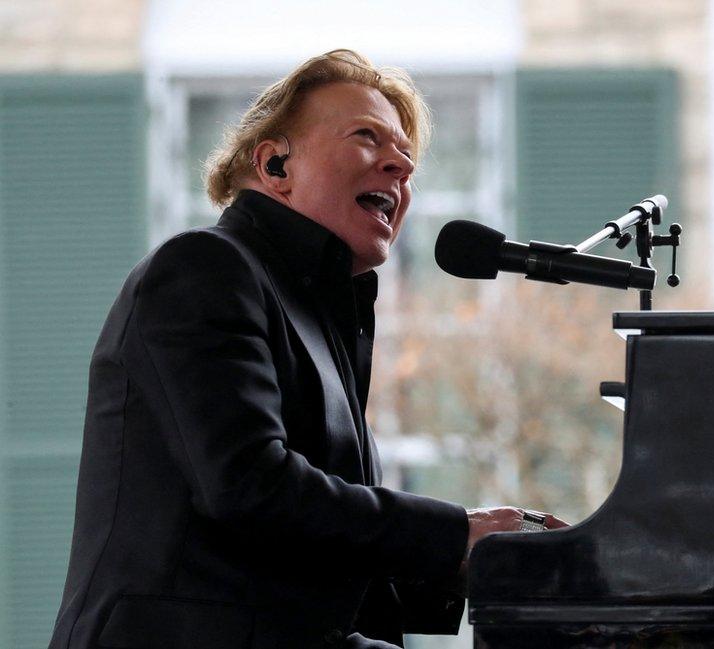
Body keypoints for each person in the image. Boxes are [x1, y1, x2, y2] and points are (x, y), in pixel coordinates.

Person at [48, 49, 565, 649]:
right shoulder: (205, 267)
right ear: (275, 164)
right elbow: (249, 486)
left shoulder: (315, 313)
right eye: (367, 138)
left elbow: (317, 546)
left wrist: (488, 562)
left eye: (407, 156)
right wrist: (456, 533)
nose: (400, 166)